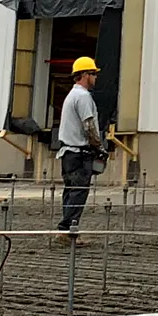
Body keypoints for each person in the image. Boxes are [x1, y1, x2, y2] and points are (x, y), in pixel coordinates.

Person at [54, 56, 104, 233]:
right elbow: (89, 126)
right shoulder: (83, 97)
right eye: (93, 74)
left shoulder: (72, 95)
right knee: (78, 192)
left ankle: (66, 229)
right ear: (84, 75)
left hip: (68, 153)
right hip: (79, 154)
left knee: (70, 191)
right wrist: (99, 148)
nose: (96, 77)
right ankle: (68, 230)